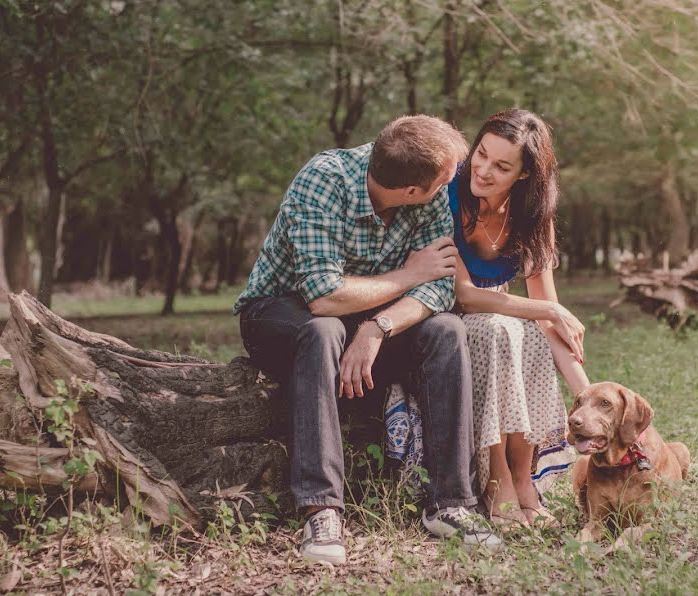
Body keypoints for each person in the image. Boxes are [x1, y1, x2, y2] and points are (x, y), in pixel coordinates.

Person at [235, 115, 501, 565]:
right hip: (279, 311)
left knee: (446, 329)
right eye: (445, 180)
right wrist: (408, 275)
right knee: (323, 331)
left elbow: (438, 287)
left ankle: (451, 503)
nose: (453, 182)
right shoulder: (324, 180)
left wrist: (377, 328)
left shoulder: (430, 196)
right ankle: (322, 509)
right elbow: (321, 296)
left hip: (369, 322)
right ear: (413, 191)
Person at [384, 109, 589, 528]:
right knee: (500, 329)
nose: (483, 170)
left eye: (501, 166)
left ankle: (522, 477)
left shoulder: (533, 217)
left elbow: (549, 321)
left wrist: (590, 396)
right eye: (480, 154)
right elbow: (465, 295)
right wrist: (548, 310)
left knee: (529, 334)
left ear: (525, 175)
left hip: (496, 316)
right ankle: (495, 480)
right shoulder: (449, 196)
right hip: (441, 312)